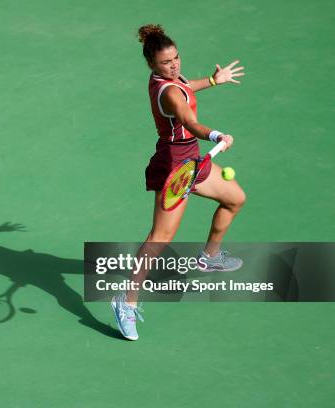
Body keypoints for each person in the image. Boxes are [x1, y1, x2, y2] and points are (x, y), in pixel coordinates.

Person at [111, 24, 247, 341]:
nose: (174, 65)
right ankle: (126, 301)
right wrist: (215, 136)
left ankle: (210, 257)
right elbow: (188, 120)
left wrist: (214, 80)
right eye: (166, 63)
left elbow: (188, 87)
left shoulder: (172, 81)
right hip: (175, 167)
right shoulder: (169, 92)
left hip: (193, 160)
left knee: (235, 198)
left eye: (176, 58)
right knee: (159, 238)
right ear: (152, 66)